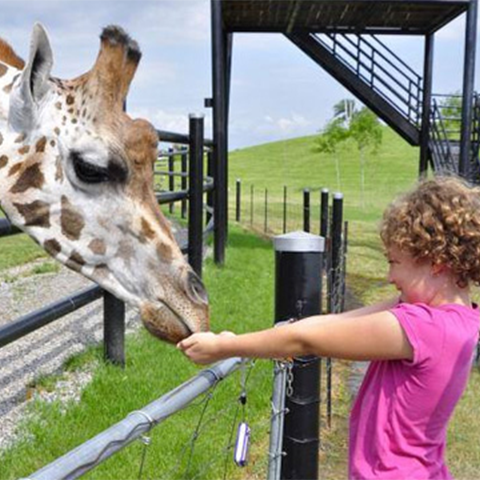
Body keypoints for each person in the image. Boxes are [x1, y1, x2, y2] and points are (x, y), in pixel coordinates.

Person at [178, 176, 480, 480]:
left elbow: (306, 341)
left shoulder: (424, 327)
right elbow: (339, 322)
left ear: (436, 263)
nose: (390, 276)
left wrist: (225, 346)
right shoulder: (455, 318)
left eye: (394, 262)